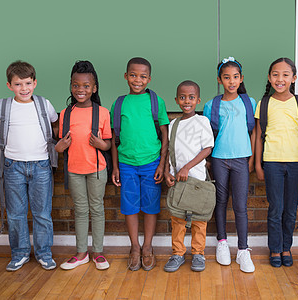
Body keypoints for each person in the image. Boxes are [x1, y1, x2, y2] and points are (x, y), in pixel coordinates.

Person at [0, 60, 58, 271]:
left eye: (27, 83)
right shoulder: (4, 106)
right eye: (18, 84)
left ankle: (44, 253)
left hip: (41, 166)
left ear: (35, 83)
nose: (24, 88)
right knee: (16, 213)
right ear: (10, 86)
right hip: (13, 167)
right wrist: (6, 145)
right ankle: (19, 253)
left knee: (42, 212)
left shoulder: (44, 104)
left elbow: (54, 127)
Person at [110, 57, 169, 271]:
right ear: (126, 76)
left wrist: (162, 164)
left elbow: (164, 135)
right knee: (130, 207)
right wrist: (115, 167)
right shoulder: (118, 104)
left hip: (151, 163)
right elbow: (115, 138)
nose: (138, 80)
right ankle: (134, 247)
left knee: (151, 206)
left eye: (143, 76)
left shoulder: (156, 102)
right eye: (133, 75)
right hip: (126, 164)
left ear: (149, 79)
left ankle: (147, 247)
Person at [254, 58, 298, 268]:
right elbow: (259, 134)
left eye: (285, 74)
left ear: (293, 78)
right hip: (272, 164)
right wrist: (258, 165)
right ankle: (275, 249)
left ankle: (287, 247)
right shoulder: (264, 103)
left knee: (290, 209)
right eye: (275, 74)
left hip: (297, 164)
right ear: (270, 78)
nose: (280, 79)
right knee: (275, 208)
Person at [56, 61, 112, 270]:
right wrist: (59, 147)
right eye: (76, 85)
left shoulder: (102, 112)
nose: (81, 90)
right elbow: (61, 143)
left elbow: (108, 142)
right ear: (71, 86)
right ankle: (81, 253)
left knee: (97, 209)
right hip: (74, 170)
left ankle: (97, 252)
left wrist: (101, 144)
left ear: (94, 88)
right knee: (80, 210)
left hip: (97, 169)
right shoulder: (66, 113)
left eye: (86, 86)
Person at [203, 57, 256, 273]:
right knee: (221, 201)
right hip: (218, 159)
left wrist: (252, 158)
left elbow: (254, 132)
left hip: (241, 159)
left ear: (241, 78)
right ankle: (222, 243)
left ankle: (243, 249)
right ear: (219, 80)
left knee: (240, 205)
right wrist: (207, 160)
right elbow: (207, 135)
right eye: (226, 78)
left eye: (235, 77)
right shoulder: (211, 105)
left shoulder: (249, 103)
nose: (231, 81)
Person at [163, 80, 214, 272]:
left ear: (198, 100)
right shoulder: (173, 124)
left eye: (191, 97)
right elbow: (170, 151)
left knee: (199, 220)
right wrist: (169, 171)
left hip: (197, 179)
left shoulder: (202, 121)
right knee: (177, 218)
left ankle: (198, 253)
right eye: (182, 97)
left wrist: (187, 168)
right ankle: (177, 253)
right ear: (176, 100)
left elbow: (207, 148)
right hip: (178, 180)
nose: (187, 101)